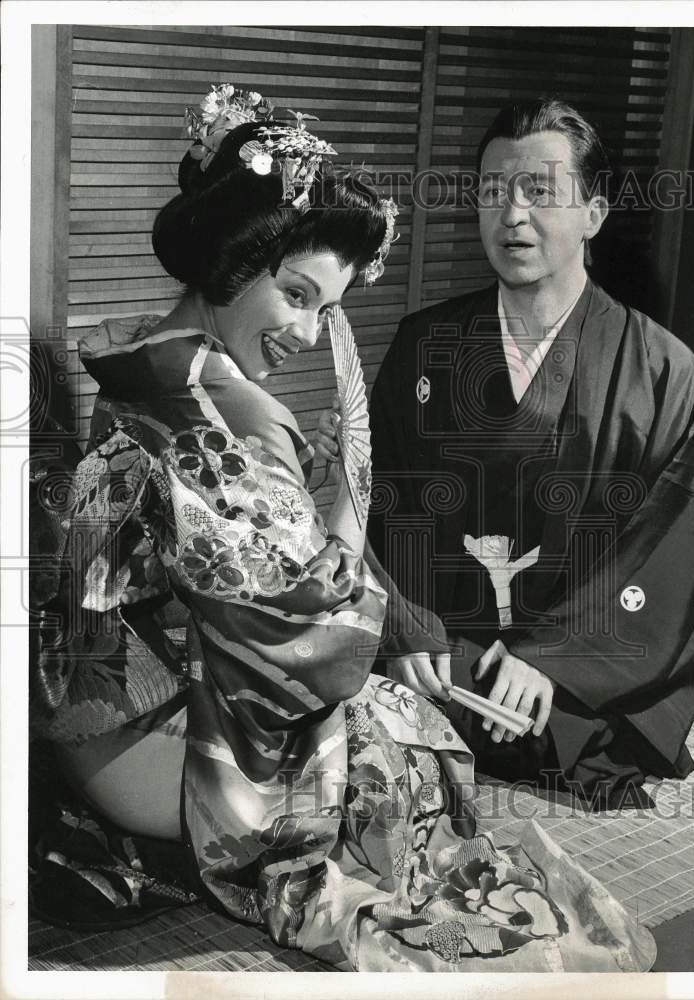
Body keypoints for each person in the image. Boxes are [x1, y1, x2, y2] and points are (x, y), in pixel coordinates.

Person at [29, 86, 656, 972]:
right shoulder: (224, 412)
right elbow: (317, 634)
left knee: (397, 709)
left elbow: (199, 554)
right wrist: (351, 492)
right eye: (296, 294)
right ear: (231, 257)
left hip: (88, 711)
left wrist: (303, 488)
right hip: (150, 752)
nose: (308, 330)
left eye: (326, 309)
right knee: (406, 735)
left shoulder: (135, 356)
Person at [360, 99, 694, 812]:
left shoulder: (663, 371)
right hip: (442, 649)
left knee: (564, 730)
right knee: (355, 687)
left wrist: (550, 656)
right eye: (493, 191)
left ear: (594, 211)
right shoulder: (424, 343)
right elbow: (380, 498)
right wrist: (406, 627)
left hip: (581, 669)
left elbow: (670, 548)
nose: (512, 214)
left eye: (540, 190)